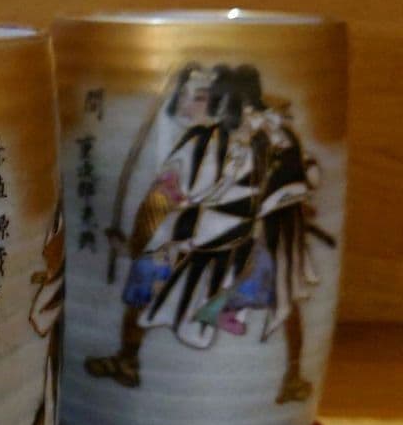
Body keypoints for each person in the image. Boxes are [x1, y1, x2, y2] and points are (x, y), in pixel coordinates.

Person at [86, 64, 331, 404]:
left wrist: (136, 243)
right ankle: (291, 376)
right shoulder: (276, 135)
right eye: (191, 97)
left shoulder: (213, 141)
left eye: (202, 97)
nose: (192, 105)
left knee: (278, 289)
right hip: (234, 236)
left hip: (231, 239)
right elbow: (307, 179)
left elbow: (163, 198)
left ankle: (291, 376)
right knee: (282, 291)